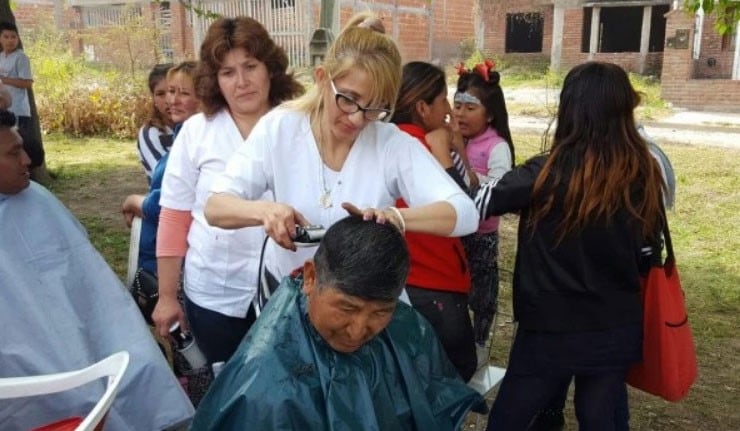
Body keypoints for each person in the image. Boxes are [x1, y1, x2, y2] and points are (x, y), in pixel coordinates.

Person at [204, 13, 479, 290]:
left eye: (376, 107)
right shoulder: (281, 128)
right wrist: (266, 211)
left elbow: (465, 214)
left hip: (359, 305)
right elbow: (216, 208)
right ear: (323, 79)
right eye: (348, 99)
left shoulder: (389, 143)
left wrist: (397, 217)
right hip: (289, 296)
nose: (358, 119)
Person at [475, 61, 665, 431]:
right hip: (614, 326)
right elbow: (646, 256)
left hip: (549, 329)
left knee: (510, 419)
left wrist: (450, 150)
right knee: (600, 418)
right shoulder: (643, 174)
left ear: (569, 109)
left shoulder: (545, 172)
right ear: (624, 110)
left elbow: (480, 202)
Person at [190, 216, 485, 430]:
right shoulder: (263, 387)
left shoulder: (408, 327)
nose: (358, 331)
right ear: (310, 277)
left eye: (380, 313)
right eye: (346, 308)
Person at [0, 109, 194, 430]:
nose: (27, 160)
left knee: (140, 368)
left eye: (22, 147)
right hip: (25, 366)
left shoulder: (37, 200)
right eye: (13, 152)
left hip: (91, 332)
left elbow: (90, 283)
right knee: (76, 396)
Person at [151, 17, 304, 366]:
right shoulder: (196, 132)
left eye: (250, 66)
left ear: (270, 68)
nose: (242, 82)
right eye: (228, 72)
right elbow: (174, 216)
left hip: (289, 289)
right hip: (216, 292)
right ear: (214, 80)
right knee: (229, 389)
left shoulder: (299, 126)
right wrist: (167, 296)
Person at [388, 61, 477, 381]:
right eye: (444, 101)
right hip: (434, 281)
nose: (450, 110)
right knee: (455, 371)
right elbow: (467, 209)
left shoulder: (391, 140)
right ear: (423, 107)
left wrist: (457, 148)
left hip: (410, 277)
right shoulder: (418, 147)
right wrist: (443, 152)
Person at [453, 60, 515, 360]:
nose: (461, 113)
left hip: (481, 236)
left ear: (489, 114)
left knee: (482, 294)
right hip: (453, 232)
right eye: (457, 105)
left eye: (470, 107)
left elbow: (498, 191)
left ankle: (478, 346)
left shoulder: (496, 147)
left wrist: (465, 165)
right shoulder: (453, 140)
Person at [123, 60, 199, 275]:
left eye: (182, 93)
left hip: (170, 253)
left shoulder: (192, 141)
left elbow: (166, 202)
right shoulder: (161, 133)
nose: (171, 100)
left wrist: (133, 201)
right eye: (165, 93)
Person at [0, 22, 41, 172]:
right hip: (4, 111)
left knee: (22, 147)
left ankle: (28, 177)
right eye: (6, 36)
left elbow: (27, 83)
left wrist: (4, 80)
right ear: (0, 39)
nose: (10, 40)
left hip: (19, 109)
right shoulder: (0, 58)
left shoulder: (21, 58)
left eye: (13, 37)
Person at [137, 63, 175, 182]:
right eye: (160, 94)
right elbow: (167, 177)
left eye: (172, 91)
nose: (169, 100)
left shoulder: (196, 127)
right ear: (153, 99)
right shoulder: (150, 133)